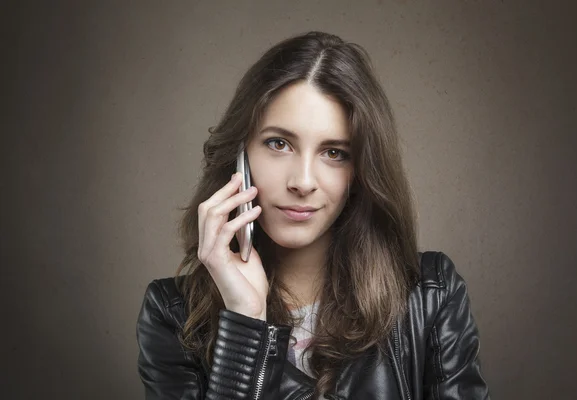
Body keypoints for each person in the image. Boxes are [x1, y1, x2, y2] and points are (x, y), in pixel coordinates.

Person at [136, 31, 490, 400]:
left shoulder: (431, 295)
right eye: (278, 143)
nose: (303, 182)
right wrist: (245, 321)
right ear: (239, 156)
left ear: (360, 172)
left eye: (334, 153)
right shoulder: (173, 315)